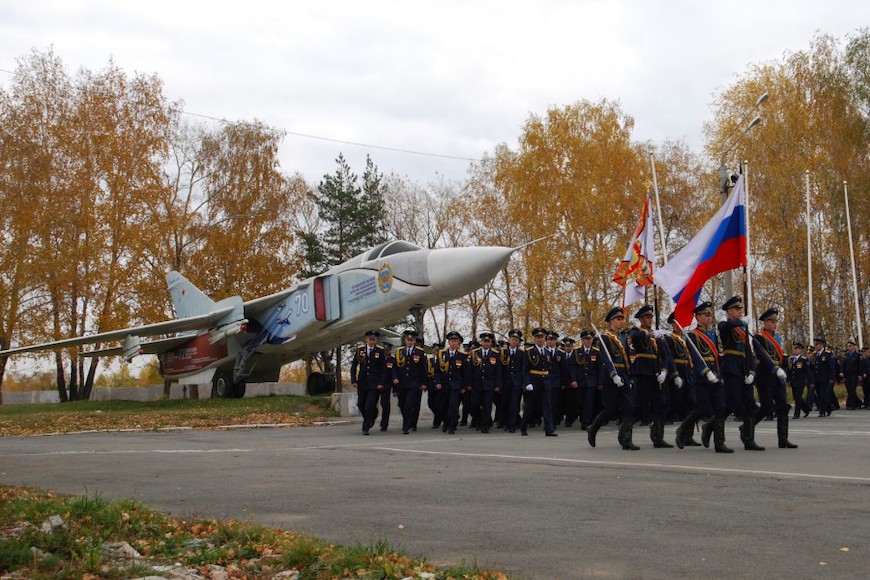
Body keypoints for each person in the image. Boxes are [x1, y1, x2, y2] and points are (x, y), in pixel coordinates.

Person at [675, 302, 732, 452]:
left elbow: (716, 356)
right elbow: (695, 357)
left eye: (709, 315)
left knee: (720, 408)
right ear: (698, 317)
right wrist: (706, 372)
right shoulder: (692, 336)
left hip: (715, 375)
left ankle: (719, 443)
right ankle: (682, 430)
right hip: (702, 378)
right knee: (701, 409)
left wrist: (719, 374)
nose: (708, 317)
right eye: (705, 315)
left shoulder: (712, 335)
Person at [587, 307, 639, 450]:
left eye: (622, 319)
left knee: (630, 406)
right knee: (609, 409)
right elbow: (606, 358)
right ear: (611, 322)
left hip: (624, 374)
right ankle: (593, 428)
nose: (621, 321)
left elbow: (629, 358)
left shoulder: (624, 338)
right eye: (618, 319)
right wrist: (613, 375)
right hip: (611, 376)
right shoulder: (605, 338)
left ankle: (626, 439)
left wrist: (629, 376)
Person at [718, 295, 763, 451]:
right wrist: (742, 322)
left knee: (750, 403)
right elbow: (729, 325)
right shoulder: (724, 325)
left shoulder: (743, 331)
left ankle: (748, 438)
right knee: (731, 403)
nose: (739, 312)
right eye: (736, 309)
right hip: (731, 369)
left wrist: (752, 371)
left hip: (744, 369)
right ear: (729, 311)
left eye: (740, 310)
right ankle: (713, 429)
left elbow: (749, 352)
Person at [751, 309, 797, 448]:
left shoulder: (777, 338)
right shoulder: (758, 337)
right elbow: (763, 356)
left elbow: (779, 357)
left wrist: (787, 363)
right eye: (772, 322)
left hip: (778, 376)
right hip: (765, 375)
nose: (774, 324)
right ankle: (747, 428)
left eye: (776, 321)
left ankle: (783, 439)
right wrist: (774, 368)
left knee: (783, 406)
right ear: (765, 322)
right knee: (766, 408)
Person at [630, 304, 672, 448]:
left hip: (656, 373)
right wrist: (651, 334)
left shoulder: (657, 336)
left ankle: (658, 436)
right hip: (642, 372)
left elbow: (666, 355)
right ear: (641, 319)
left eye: (650, 317)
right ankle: (625, 435)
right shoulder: (637, 331)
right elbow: (636, 336)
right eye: (647, 317)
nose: (649, 320)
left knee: (661, 404)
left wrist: (664, 370)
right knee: (638, 404)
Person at [349, 330, 388, 435]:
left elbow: (383, 369)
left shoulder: (380, 351)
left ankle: (365, 427)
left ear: (376, 340)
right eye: (370, 339)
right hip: (362, 382)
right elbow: (353, 366)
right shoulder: (360, 350)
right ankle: (373, 415)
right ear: (366, 339)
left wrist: (381, 382)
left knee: (369, 405)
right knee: (361, 404)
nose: (372, 341)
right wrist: (353, 380)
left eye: (374, 340)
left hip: (374, 383)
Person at [433, 331, 470, 434]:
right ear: (448, 342)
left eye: (455, 341)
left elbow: (465, 373)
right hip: (444, 385)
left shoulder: (462, 355)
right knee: (443, 406)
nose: (453, 343)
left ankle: (452, 426)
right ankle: (446, 422)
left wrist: (463, 386)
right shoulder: (442, 354)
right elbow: (437, 370)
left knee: (453, 406)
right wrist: (437, 382)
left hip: (456, 385)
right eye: (451, 341)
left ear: (458, 342)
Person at [392, 329, 429, 434]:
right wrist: (395, 377)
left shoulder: (419, 352)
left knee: (409, 404)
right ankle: (410, 421)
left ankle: (406, 426)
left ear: (414, 341)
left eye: (411, 340)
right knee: (402, 404)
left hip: (414, 383)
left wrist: (423, 383)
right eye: (408, 340)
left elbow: (423, 369)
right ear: (405, 340)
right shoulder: (399, 351)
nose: (409, 342)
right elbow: (394, 367)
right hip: (402, 383)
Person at [520, 328, 555, 436]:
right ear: (534, 339)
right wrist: (527, 383)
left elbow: (549, 368)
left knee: (547, 407)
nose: (540, 340)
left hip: (545, 382)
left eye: (542, 337)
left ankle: (549, 429)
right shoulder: (529, 352)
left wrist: (549, 380)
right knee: (530, 406)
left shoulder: (547, 352)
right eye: (538, 337)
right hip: (534, 382)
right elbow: (524, 370)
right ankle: (523, 426)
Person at [469, 332, 502, 433]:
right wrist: (469, 384)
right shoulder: (475, 353)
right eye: (484, 341)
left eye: (488, 342)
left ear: (491, 343)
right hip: (476, 384)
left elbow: (498, 371)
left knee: (487, 406)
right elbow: (470, 370)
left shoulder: (495, 354)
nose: (486, 343)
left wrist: (497, 385)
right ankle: (479, 420)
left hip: (489, 385)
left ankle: (485, 425)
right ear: (481, 342)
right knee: (474, 405)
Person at [501, 329, 526, 433]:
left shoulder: (521, 353)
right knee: (505, 403)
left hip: (517, 383)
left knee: (515, 404)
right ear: (509, 340)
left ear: (518, 342)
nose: (514, 341)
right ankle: (506, 423)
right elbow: (500, 369)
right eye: (513, 339)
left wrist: (523, 383)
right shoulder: (503, 352)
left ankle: (512, 425)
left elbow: (523, 369)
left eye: (516, 340)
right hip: (506, 383)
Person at [575, 330, 600, 430]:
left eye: (590, 339)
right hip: (580, 381)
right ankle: (582, 418)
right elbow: (573, 367)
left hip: (591, 382)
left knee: (589, 402)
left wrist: (599, 382)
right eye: (586, 339)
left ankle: (586, 422)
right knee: (579, 402)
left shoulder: (596, 352)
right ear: (582, 340)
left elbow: (599, 368)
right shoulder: (577, 351)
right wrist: (574, 380)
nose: (588, 341)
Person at [787, 341, 813, 419]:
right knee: (796, 397)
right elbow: (790, 371)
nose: (795, 350)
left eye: (797, 349)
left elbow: (808, 371)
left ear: (800, 350)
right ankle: (806, 409)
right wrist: (787, 380)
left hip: (800, 381)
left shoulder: (803, 360)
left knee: (798, 398)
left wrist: (811, 381)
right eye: (794, 349)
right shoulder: (791, 359)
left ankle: (796, 413)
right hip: (793, 382)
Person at [811, 337, 836, 417]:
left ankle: (822, 412)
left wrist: (832, 378)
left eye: (817, 344)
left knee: (823, 395)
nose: (816, 346)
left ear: (822, 345)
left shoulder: (827, 354)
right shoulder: (815, 355)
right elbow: (814, 367)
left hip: (825, 378)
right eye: (815, 345)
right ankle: (828, 408)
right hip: (817, 378)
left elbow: (831, 367)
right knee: (819, 395)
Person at [841, 339, 863, 410]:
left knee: (852, 389)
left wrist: (860, 375)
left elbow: (860, 366)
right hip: (847, 375)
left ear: (854, 347)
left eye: (851, 346)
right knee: (849, 389)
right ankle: (858, 402)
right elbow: (843, 365)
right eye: (848, 346)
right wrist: (842, 373)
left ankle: (851, 404)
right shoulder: (846, 355)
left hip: (854, 374)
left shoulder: (857, 355)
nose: (849, 348)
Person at [379, 341, 395, 431]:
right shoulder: (378, 358)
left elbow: (394, 373)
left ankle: (384, 423)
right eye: (384, 350)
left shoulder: (392, 359)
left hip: (387, 385)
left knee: (385, 403)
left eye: (387, 350)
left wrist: (395, 389)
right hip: (377, 384)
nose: (386, 352)